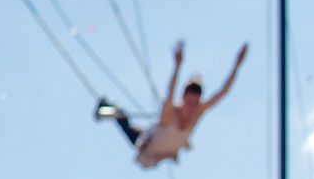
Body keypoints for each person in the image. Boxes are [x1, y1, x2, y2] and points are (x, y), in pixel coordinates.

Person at [95, 41, 247, 168]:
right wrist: (177, 66)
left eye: (197, 96)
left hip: (167, 152)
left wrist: (237, 64)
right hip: (147, 146)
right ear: (184, 96)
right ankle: (105, 107)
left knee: (124, 119)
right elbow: (170, 92)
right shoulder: (170, 111)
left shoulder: (199, 110)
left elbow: (223, 92)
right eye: (190, 96)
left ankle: (111, 109)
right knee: (123, 119)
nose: (193, 102)